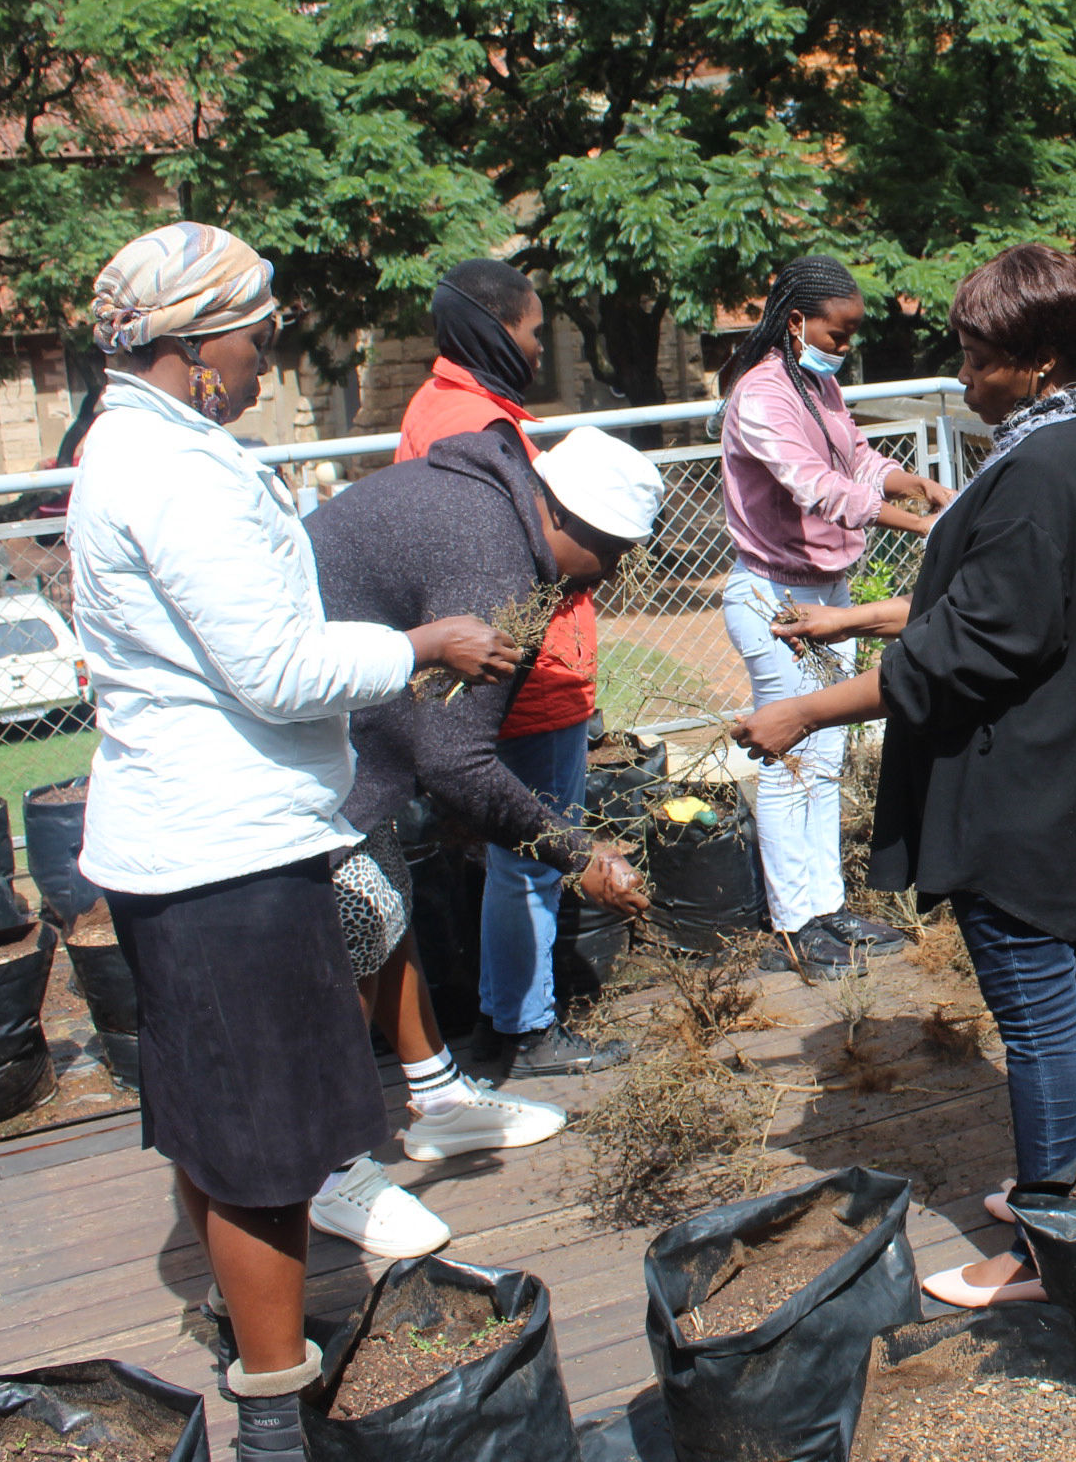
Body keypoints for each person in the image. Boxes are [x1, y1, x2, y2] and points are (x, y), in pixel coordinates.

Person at [67, 223, 515, 1462]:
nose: (270, 356)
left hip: (190, 839)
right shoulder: (177, 474)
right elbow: (273, 667)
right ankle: (273, 1406)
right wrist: (425, 646)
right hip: (228, 857)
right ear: (199, 346)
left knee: (216, 1120)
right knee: (265, 1147)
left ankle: (244, 1329)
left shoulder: (139, 447)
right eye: (260, 336)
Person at [731, 243, 1076, 1309]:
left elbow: (965, 652)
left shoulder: (1034, 470)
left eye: (979, 358)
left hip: (1026, 797)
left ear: (1034, 363)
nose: (966, 376)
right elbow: (1002, 603)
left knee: (1039, 1025)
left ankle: (1046, 1242)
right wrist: (854, 615)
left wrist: (801, 711)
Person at [302, 422, 664, 1255]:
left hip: (343, 739)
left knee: (382, 904)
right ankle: (328, 1167)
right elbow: (456, 759)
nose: (609, 579)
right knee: (348, 931)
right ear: (569, 524)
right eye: (610, 557)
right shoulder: (500, 562)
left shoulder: (498, 507)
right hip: (287, 746)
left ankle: (439, 1098)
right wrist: (580, 856)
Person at [393, 261, 623, 1080]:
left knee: (511, 864)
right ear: (496, 331)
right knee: (533, 862)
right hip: (526, 677)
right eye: (532, 332)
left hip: (508, 669)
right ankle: (527, 1029)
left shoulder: (438, 407)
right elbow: (518, 561)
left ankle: (508, 1017)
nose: (536, 346)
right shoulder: (477, 425)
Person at [717, 255, 952, 979]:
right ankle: (795, 925)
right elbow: (817, 487)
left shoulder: (814, 383)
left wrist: (910, 483)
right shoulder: (760, 397)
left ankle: (827, 908)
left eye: (852, 337)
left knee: (822, 754)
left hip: (828, 593)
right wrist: (922, 528)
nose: (844, 349)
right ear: (796, 323)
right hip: (775, 595)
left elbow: (854, 458)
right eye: (837, 334)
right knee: (791, 762)